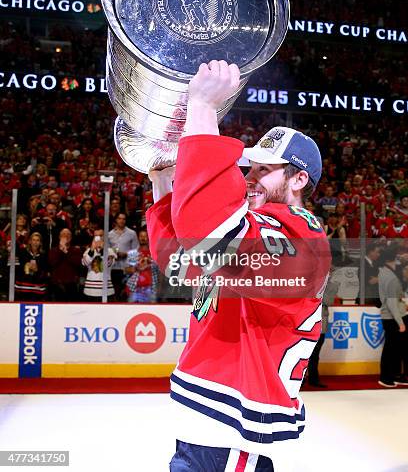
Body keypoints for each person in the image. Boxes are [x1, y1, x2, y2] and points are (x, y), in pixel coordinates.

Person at [147, 61, 330, 471]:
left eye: (264, 170)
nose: (250, 176)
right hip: (210, 415)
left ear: (298, 180)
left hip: (234, 419)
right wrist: (163, 177)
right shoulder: (263, 227)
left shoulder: (303, 233)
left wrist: (203, 109)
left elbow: (213, 239)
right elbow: (180, 263)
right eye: (250, 167)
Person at [378, 244, 408, 388]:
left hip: (391, 316)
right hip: (392, 318)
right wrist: (400, 322)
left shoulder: (384, 272)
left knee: (395, 348)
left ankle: (394, 374)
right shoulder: (390, 277)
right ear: (392, 260)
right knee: (390, 349)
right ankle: (385, 376)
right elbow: (391, 303)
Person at [108, 212, 139, 299]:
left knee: (126, 294)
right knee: (114, 293)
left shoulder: (132, 233)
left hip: (127, 268)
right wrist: (113, 254)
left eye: (123, 219)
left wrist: (126, 254)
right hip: (113, 268)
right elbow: (107, 251)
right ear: (116, 220)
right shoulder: (109, 234)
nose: (121, 221)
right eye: (119, 218)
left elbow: (135, 250)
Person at [48, 228, 83, 301]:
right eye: (63, 235)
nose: (66, 236)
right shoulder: (53, 250)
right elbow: (52, 262)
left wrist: (66, 251)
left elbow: (77, 263)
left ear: (71, 237)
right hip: (57, 285)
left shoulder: (76, 250)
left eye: (68, 235)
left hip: (72, 286)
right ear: (59, 237)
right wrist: (61, 250)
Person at [82, 229, 116, 301]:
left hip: (107, 290)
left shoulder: (110, 251)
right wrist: (92, 249)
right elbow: (85, 263)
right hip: (90, 290)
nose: (98, 238)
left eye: (101, 235)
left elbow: (109, 264)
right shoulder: (88, 251)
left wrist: (103, 250)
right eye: (96, 236)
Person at [15, 232, 48, 301]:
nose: (35, 242)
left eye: (37, 240)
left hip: (37, 290)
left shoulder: (44, 256)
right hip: (22, 289)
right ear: (30, 241)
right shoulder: (22, 252)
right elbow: (17, 269)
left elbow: (45, 272)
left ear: (40, 243)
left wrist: (37, 270)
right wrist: (25, 267)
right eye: (33, 240)